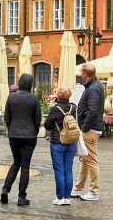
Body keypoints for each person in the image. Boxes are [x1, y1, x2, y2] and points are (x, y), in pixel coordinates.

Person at [1, 73, 41, 206]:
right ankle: (21, 196)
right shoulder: (34, 98)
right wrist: (34, 132)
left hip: (14, 135)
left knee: (16, 162)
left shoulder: (11, 97)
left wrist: (12, 128)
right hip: (29, 136)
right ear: (30, 84)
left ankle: (5, 190)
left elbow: (6, 117)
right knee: (25, 166)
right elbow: (37, 119)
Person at [73, 63, 105, 201]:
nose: (80, 74)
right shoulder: (94, 86)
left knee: (90, 160)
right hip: (90, 127)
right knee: (84, 159)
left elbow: (93, 110)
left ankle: (94, 191)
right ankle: (78, 188)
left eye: (81, 72)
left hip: (90, 129)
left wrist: (85, 126)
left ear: (85, 74)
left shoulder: (93, 88)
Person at [43, 86, 77, 206]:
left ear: (58, 96)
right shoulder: (73, 107)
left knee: (59, 170)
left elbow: (47, 125)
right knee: (68, 170)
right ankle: (67, 197)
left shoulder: (55, 109)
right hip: (71, 142)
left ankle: (60, 197)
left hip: (58, 143)